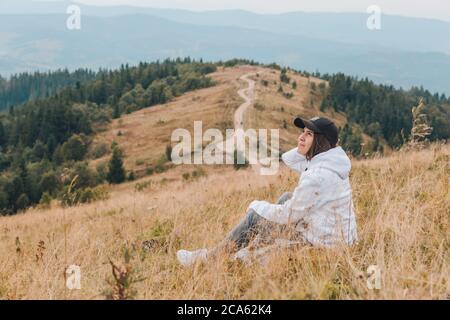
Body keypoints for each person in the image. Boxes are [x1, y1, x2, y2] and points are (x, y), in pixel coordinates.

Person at [177, 116, 358, 267]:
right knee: (286, 197)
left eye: (309, 134)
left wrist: (257, 207)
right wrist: (310, 145)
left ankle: (210, 259)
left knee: (254, 217)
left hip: (322, 243)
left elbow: (289, 215)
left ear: (321, 141)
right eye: (302, 132)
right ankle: (253, 247)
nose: (301, 137)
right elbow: (291, 160)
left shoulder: (317, 175)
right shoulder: (332, 162)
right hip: (333, 236)